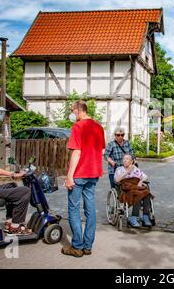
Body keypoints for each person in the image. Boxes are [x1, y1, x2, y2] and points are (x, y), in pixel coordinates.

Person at [62, 100, 105, 258]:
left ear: (78, 110)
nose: (71, 114)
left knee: (73, 208)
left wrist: (69, 176)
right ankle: (88, 246)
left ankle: (77, 246)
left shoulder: (78, 126)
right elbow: (101, 150)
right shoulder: (99, 127)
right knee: (90, 209)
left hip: (79, 173)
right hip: (93, 174)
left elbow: (77, 152)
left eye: (72, 110)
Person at [114, 154, 153, 228]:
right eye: (124, 159)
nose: (124, 160)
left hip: (136, 186)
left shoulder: (136, 169)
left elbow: (146, 176)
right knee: (137, 193)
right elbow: (117, 180)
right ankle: (133, 217)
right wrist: (127, 171)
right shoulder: (119, 169)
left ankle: (145, 216)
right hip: (126, 189)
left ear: (132, 161)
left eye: (127, 159)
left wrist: (141, 181)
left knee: (147, 193)